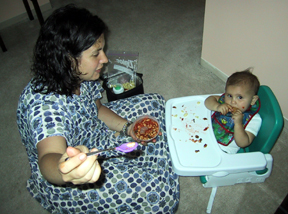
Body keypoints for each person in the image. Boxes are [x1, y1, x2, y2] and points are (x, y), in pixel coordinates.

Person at [16, 4, 179, 214]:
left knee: (156, 103)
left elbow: (97, 108)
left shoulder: (81, 74)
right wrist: (67, 170)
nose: (105, 59)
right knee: (158, 194)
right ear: (67, 59)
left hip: (92, 131)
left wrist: (128, 127)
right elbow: (49, 156)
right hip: (73, 166)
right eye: (96, 54)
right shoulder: (43, 106)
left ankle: (150, 161)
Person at [204, 68, 262, 154]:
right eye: (229, 95)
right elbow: (208, 100)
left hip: (222, 151)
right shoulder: (225, 102)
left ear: (253, 100)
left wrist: (238, 124)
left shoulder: (254, 119)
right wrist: (218, 106)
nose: (232, 101)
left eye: (240, 97)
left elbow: (243, 143)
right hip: (205, 135)